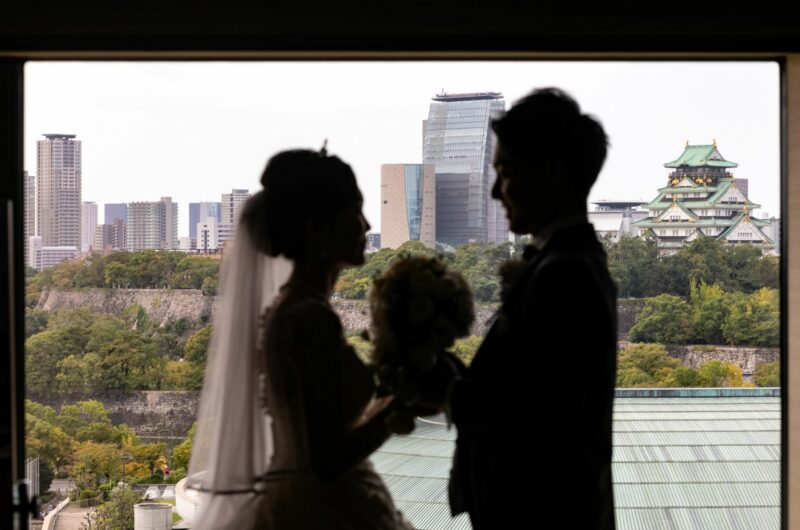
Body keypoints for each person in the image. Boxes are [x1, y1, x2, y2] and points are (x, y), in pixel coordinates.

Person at [187, 147, 413, 529]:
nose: (366, 225)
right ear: (318, 230)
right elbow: (325, 461)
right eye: (355, 212)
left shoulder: (291, 309)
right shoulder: (309, 318)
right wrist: (400, 406)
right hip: (323, 507)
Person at [424, 88, 618, 529]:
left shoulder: (565, 274)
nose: (496, 191)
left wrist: (451, 392)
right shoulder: (567, 261)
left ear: (550, 172)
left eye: (506, 173)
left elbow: (544, 419)